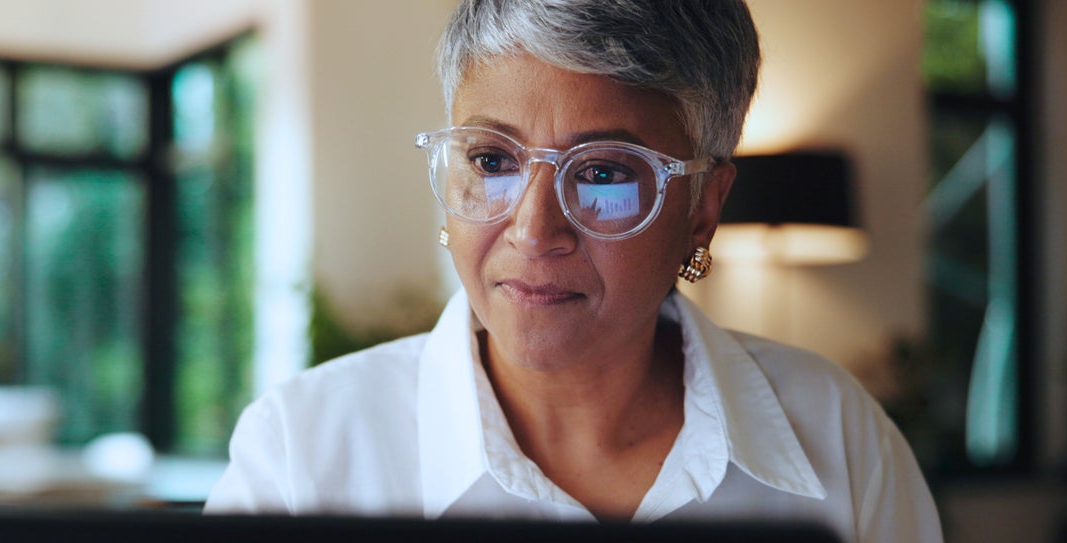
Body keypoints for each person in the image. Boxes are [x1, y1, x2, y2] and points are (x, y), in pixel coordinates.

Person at [206, 1, 943, 541]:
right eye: (491, 160)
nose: (533, 228)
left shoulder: (839, 439)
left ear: (701, 208)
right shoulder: (302, 454)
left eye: (604, 174)